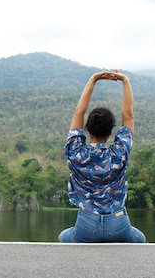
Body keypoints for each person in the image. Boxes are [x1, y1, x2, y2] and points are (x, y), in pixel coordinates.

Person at [58, 70, 146, 243]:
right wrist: (125, 81)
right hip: (118, 223)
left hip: (86, 224)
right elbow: (128, 115)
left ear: (87, 129)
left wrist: (94, 79)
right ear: (111, 131)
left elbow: (78, 113)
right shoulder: (119, 152)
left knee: (63, 237)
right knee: (140, 238)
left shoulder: (76, 152)